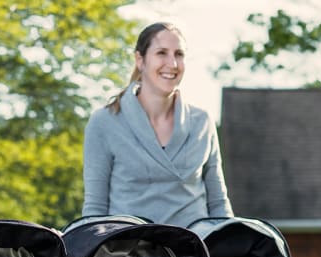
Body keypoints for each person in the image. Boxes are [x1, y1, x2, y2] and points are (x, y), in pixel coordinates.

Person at [81, 22, 233, 226]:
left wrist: (232, 246)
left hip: (194, 248)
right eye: (162, 53)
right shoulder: (105, 123)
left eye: (179, 54)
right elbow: (95, 208)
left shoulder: (202, 122)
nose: (173, 63)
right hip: (129, 250)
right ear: (140, 60)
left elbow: (218, 203)